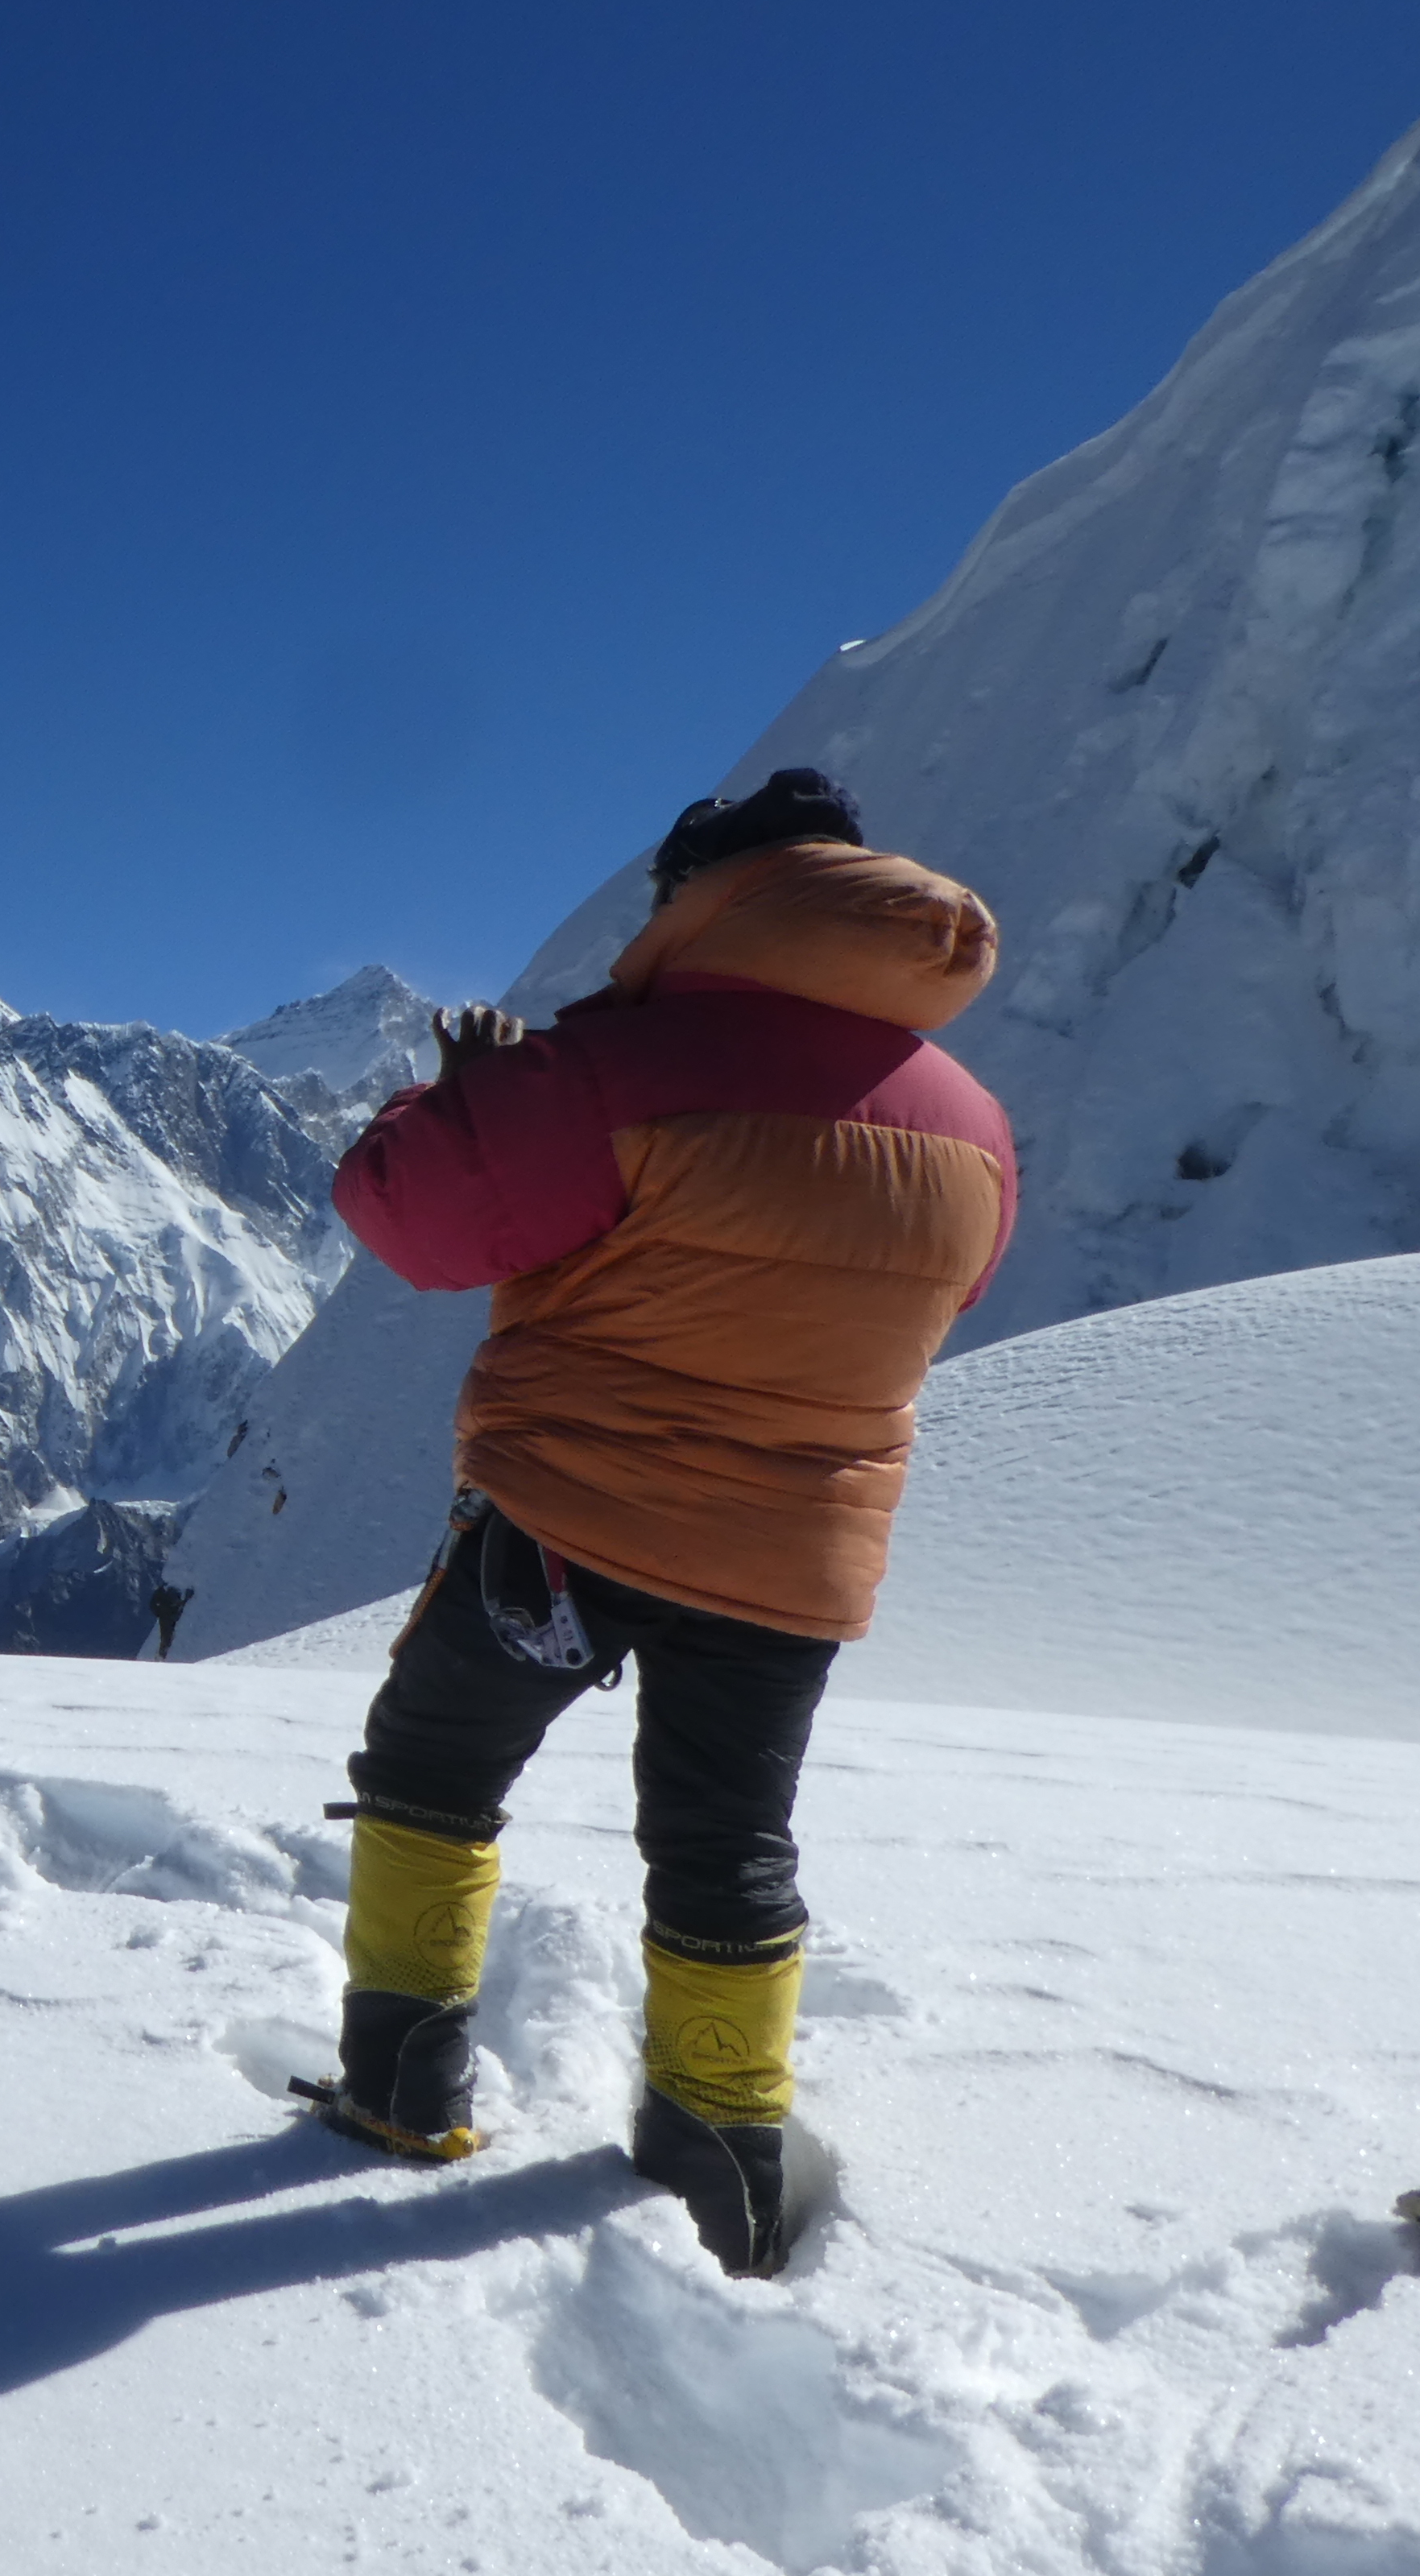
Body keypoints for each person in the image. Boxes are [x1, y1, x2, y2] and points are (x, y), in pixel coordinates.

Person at [304, 769, 1013, 2278]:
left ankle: (402, 2086)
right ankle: (719, 2162)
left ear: (703, 896)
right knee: (729, 1841)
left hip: (569, 1512)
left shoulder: (614, 1066)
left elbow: (400, 1211)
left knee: (432, 1764)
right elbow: (938, 1299)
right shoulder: (975, 1131)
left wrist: (469, 1095)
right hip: (796, 1550)